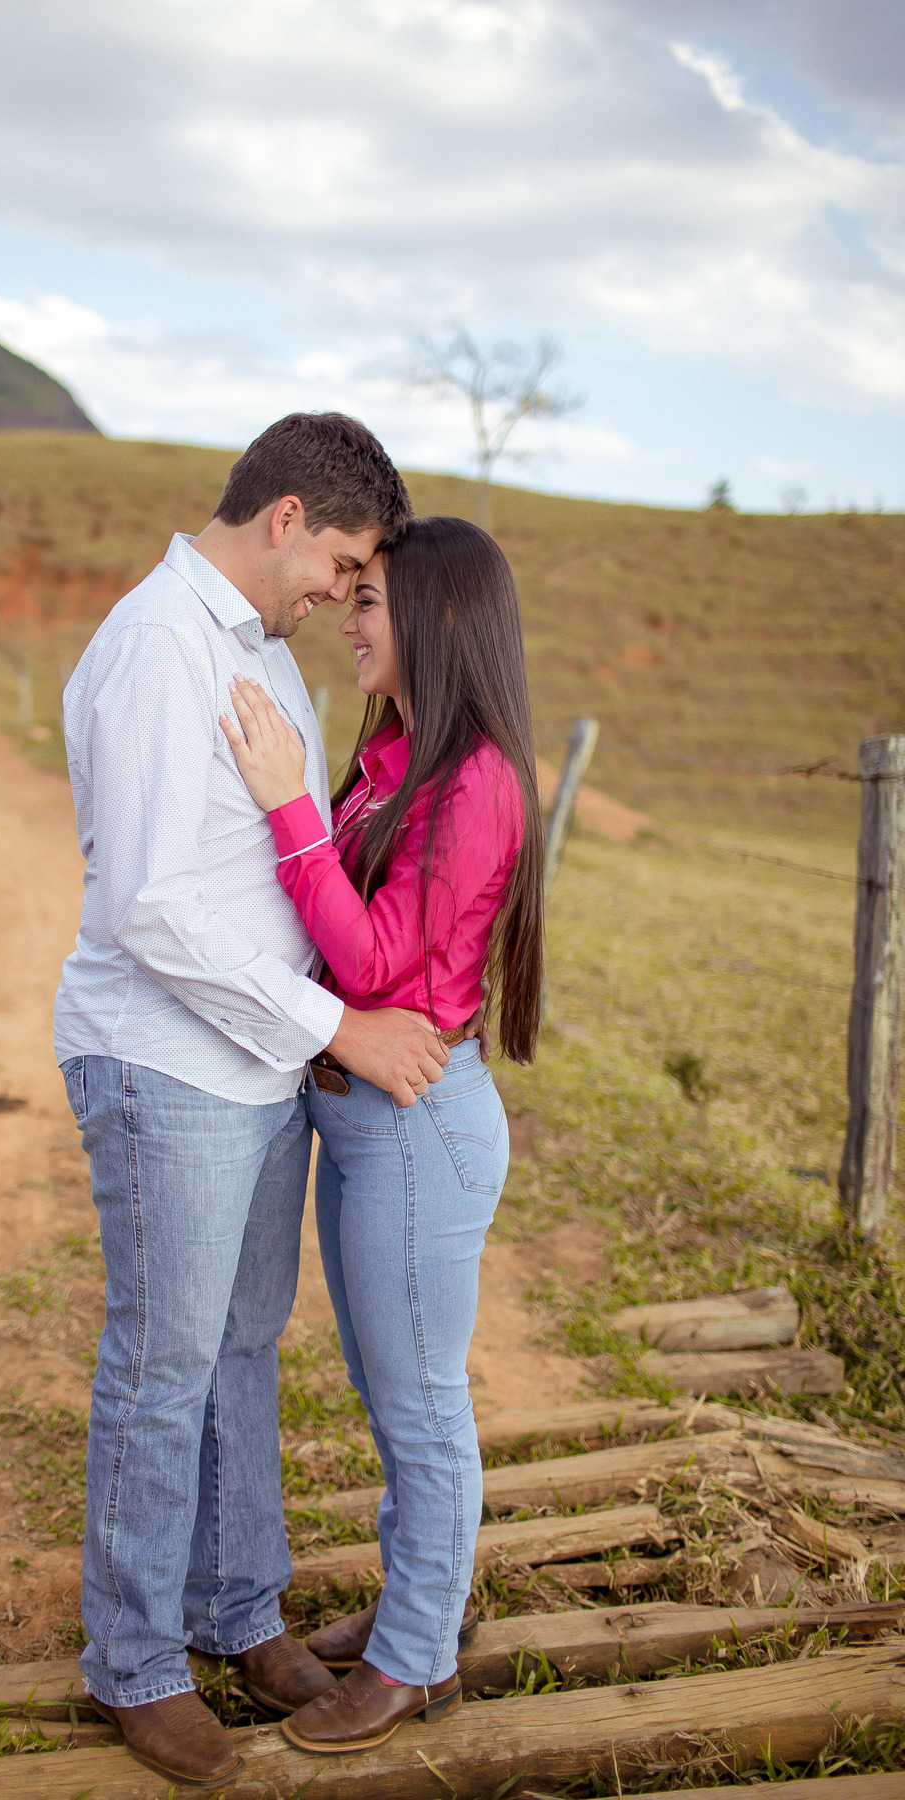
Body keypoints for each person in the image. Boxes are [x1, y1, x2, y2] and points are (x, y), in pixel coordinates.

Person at [54, 413, 456, 1792]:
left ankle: (236, 1611)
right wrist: (338, 1023)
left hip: (258, 1066)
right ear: (286, 518)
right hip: (167, 1064)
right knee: (164, 1365)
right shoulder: (159, 649)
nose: (341, 596)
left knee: (239, 1345)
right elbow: (151, 905)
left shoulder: (262, 656)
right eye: (341, 564)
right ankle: (134, 1662)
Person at [219, 513, 544, 1754]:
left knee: (419, 1404)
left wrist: (286, 809)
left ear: (440, 617)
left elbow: (372, 965)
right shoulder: (400, 755)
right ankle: (424, 1604)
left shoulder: (477, 780)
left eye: (371, 601)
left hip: (416, 1126)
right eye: (352, 596)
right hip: (360, 1120)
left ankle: (416, 1659)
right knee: (385, 1388)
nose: (351, 619)